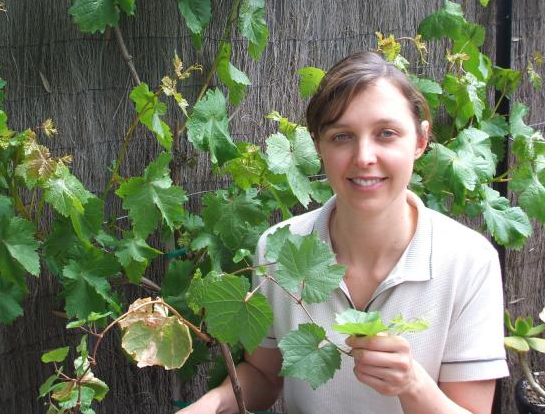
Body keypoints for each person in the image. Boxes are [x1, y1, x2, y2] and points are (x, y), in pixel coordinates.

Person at [178, 51, 508, 414]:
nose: (364, 156)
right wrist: (211, 405)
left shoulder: (469, 261)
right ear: (318, 144)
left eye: (386, 133)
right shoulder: (280, 248)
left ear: (420, 140)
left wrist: (412, 385)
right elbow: (264, 375)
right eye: (342, 137)